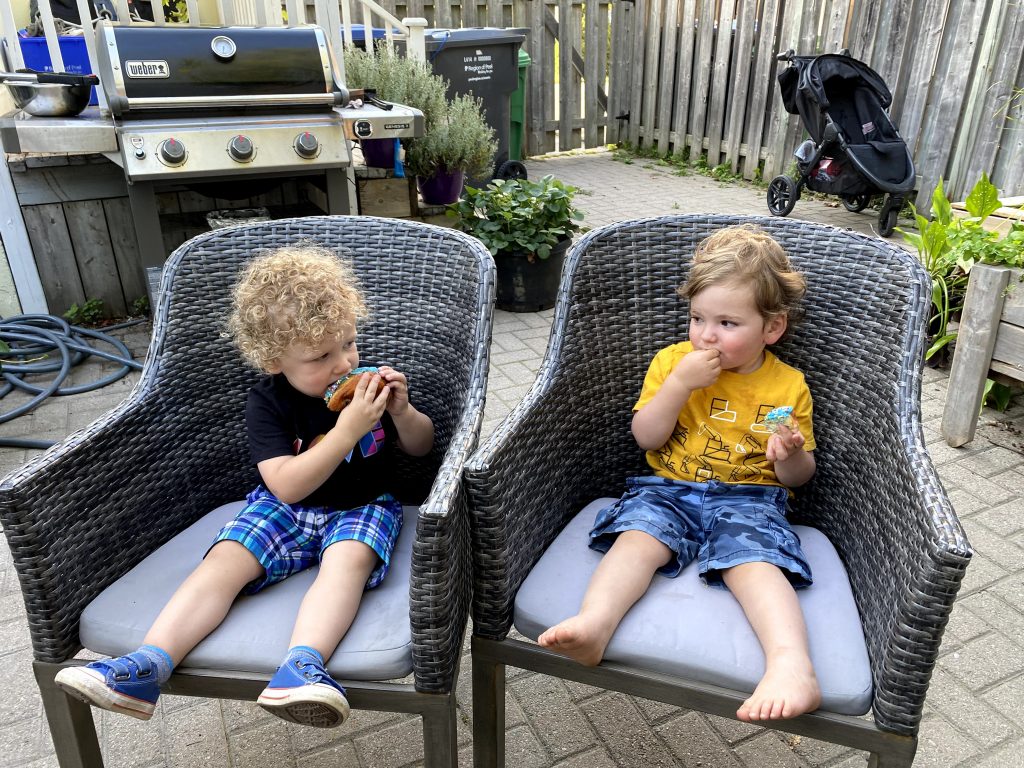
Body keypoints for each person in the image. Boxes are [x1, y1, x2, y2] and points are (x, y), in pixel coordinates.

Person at [55, 245, 434, 728]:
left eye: (348, 343)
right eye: (321, 355)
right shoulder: (268, 403)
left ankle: (302, 666)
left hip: (364, 505)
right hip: (283, 506)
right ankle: (148, 665)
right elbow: (286, 486)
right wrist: (346, 432)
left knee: (347, 564)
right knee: (224, 561)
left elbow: (422, 448)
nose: (343, 364)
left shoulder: (367, 391)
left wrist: (403, 411)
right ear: (275, 360)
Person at [538, 225, 821, 722]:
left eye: (728, 323)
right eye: (697, 318)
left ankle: (791, 666)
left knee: (755, 563)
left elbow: (798, 478)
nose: (706, 335)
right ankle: (595, 624)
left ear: (771, 328)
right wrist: (678, 386)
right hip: (668, 488)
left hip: (749, 498)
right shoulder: (672, 363)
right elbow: (646, 437)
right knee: (638, 539)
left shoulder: (786, 386)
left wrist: (788, 455)